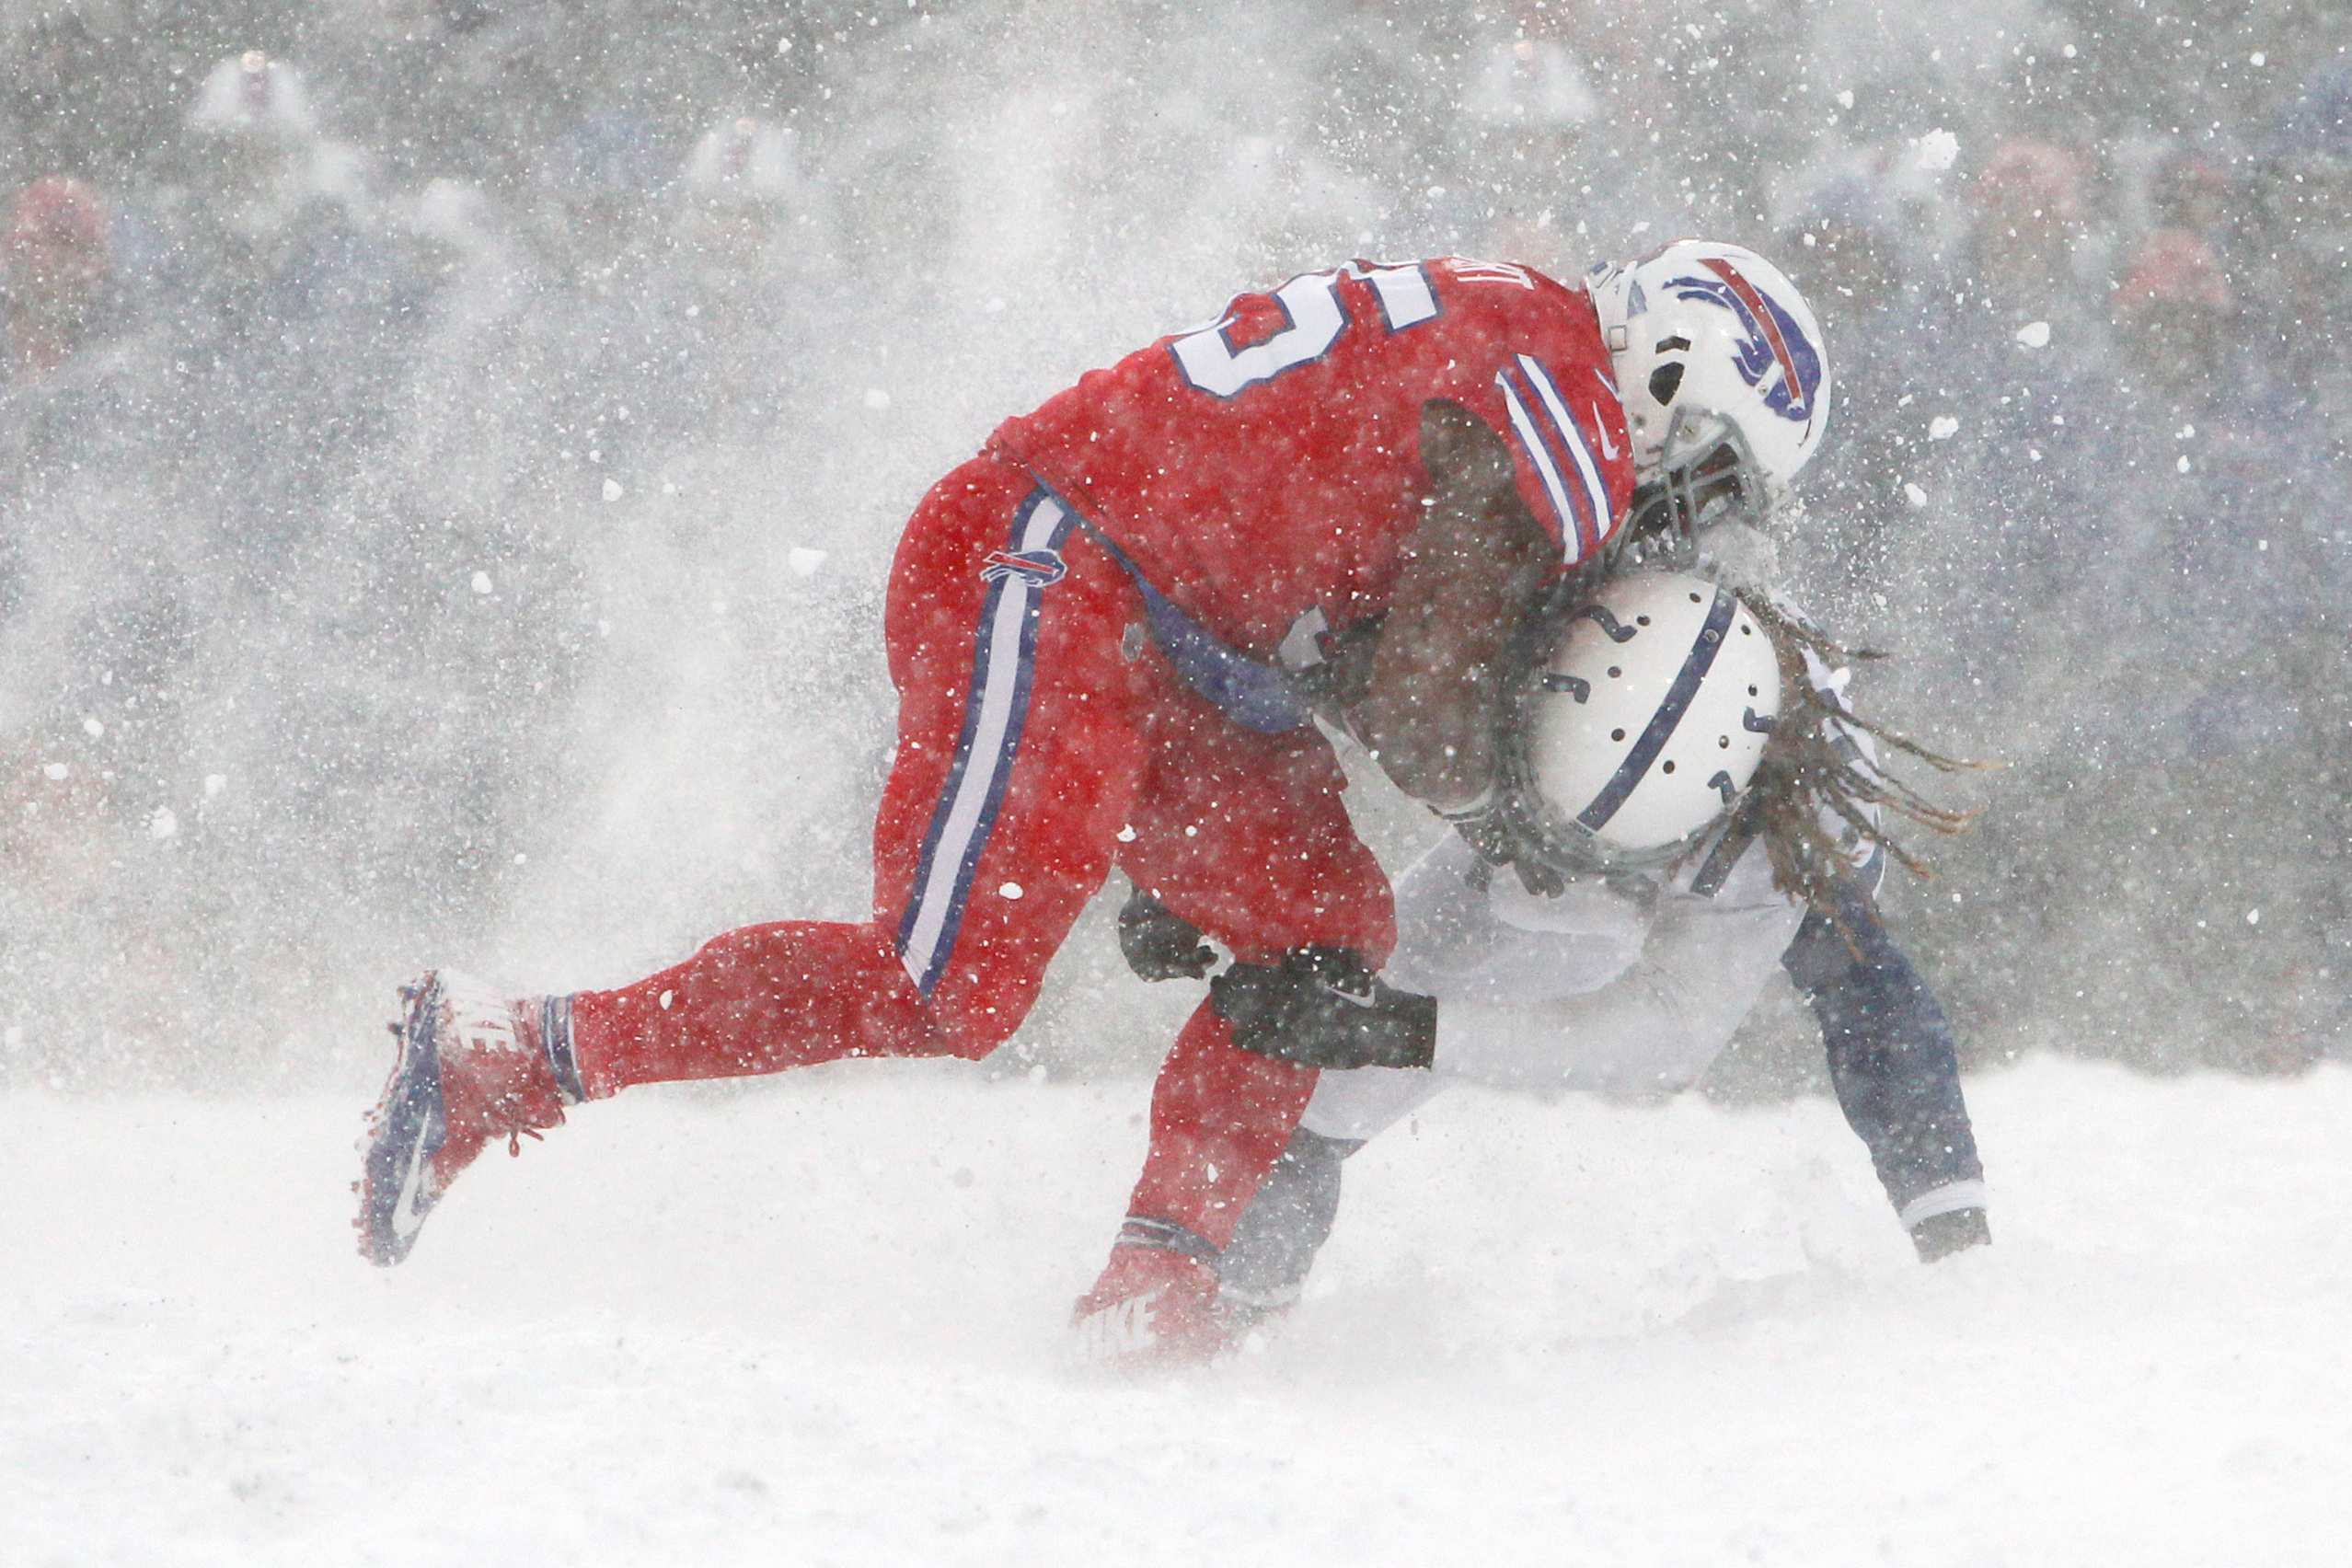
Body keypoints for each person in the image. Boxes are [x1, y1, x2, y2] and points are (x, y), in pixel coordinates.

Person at [353, 242, 1833, 1341]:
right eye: (1706, 477)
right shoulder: (1566, 417)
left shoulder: (1510, 315)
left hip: (1164, 621)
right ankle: (521, 1049)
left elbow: (1305, 517)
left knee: (1323, 925)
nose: (1677, 521)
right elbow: (1421, 698)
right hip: (1057, 566)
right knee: (950, 985)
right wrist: (1544, 819)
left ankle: (1161, 1280)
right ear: (1676, 380)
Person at [1093, 562, 1988, 1364]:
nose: (1556, 861)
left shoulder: (1782, 849)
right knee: (1316, 1079)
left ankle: (1224, 1333)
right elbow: (1264, 641)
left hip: (1647, 904)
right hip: (1515, 793)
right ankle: (1215, 1321)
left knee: (1348, 1059)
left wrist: (1414, 1030)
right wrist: (1183, 861)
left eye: (1603, 846)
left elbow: (1675, 1033)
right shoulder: (1507, 582)